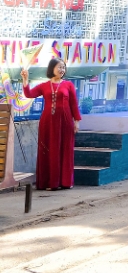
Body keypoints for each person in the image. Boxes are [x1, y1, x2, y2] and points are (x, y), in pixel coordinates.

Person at [20, 59, 81, 191]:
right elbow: (29, 94)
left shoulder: (69, 85)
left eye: (64, 67)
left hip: (65, 122)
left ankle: (65, 182)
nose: (62, 70)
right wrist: (25, 80)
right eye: (59, 67)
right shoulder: (44, 86)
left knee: (65, 150)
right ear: (52, 68)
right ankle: (49, 182)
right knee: (49, 150)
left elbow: (74, 104)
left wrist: (76, 121)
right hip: (47, 122)